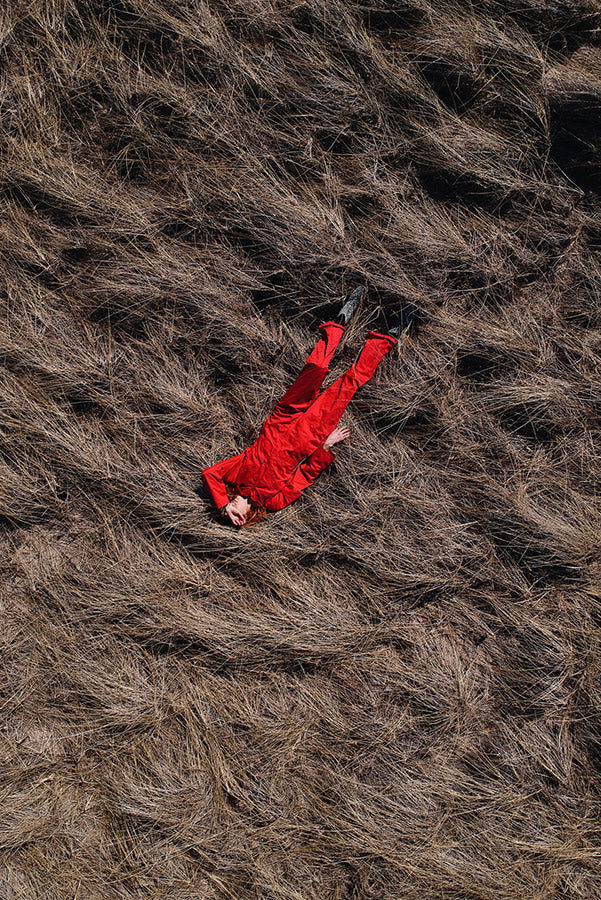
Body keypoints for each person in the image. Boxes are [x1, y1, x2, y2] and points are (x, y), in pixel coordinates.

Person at [201, 288, 418, 526]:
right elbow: (304, 476)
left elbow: (209, 474)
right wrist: (325, 446)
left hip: (282, 417)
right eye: (232, 515)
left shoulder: (234, 477)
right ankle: (389, 335)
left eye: (228, 510)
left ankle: (338, 323)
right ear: (241, 519)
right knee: (350, 382)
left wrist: (222, 506)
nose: (232, 510)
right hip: (311, 433)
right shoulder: (272, 502)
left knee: (315, 368)